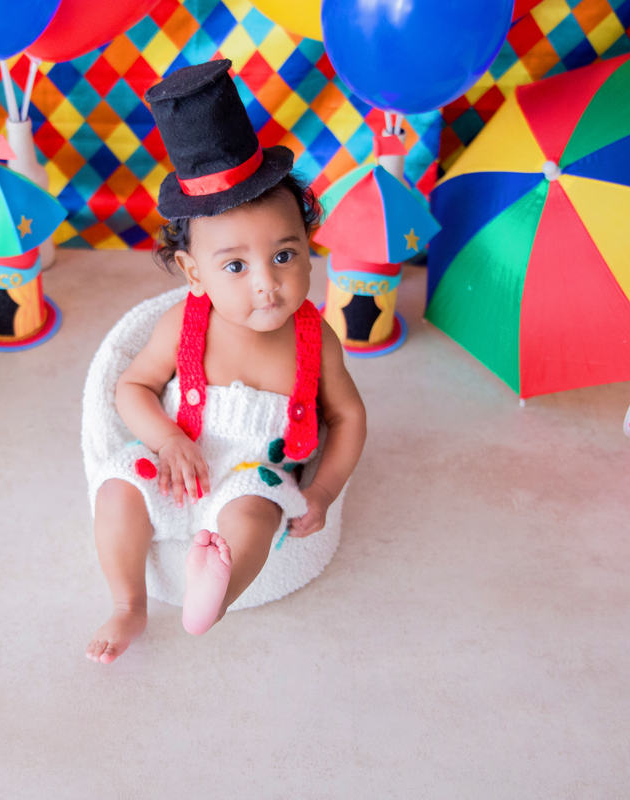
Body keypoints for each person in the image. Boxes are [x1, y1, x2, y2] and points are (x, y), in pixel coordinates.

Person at [85, 59, 367, 664]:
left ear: (310, 250)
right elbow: (131, 385)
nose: (267, 285)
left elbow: (346, 417)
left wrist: (321, 491)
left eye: (285, 255)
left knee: (258, 513)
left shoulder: (315, 341)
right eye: (235, 267)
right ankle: (128, 601)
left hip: (246, 476)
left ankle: (214, 590)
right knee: (114, 488)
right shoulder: (185, 325)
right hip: (173, 464)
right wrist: (163, 440)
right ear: (195, 274)